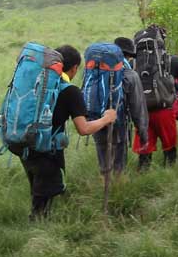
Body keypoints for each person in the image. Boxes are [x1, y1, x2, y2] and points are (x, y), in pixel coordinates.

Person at [21, 45, 116, 217]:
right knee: (42, 202)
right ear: (74, 68)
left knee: (38, 189)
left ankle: (43, 226)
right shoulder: (70, 91)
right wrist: (106, 119)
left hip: (25, 143)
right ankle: (39, 235)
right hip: (47, 149)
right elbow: (83, 128)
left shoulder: (39, 83)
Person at [94, 37, 149, 176]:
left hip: (97, 122)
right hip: (118, 124)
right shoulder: (130, 75)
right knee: (119, 165)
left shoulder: (96, 70)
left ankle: (104, 185)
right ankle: (118, 189)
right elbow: (138, 108)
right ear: (128, 56)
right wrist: (143, 133)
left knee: (104, 163)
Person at [134, 33, 178, 169]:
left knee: (145, 149)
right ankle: (169, 173)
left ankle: (143, 176)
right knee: (169, 146)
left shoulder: (133, 63)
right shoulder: (173, 60)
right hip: (165, 110)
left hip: (142, 113)